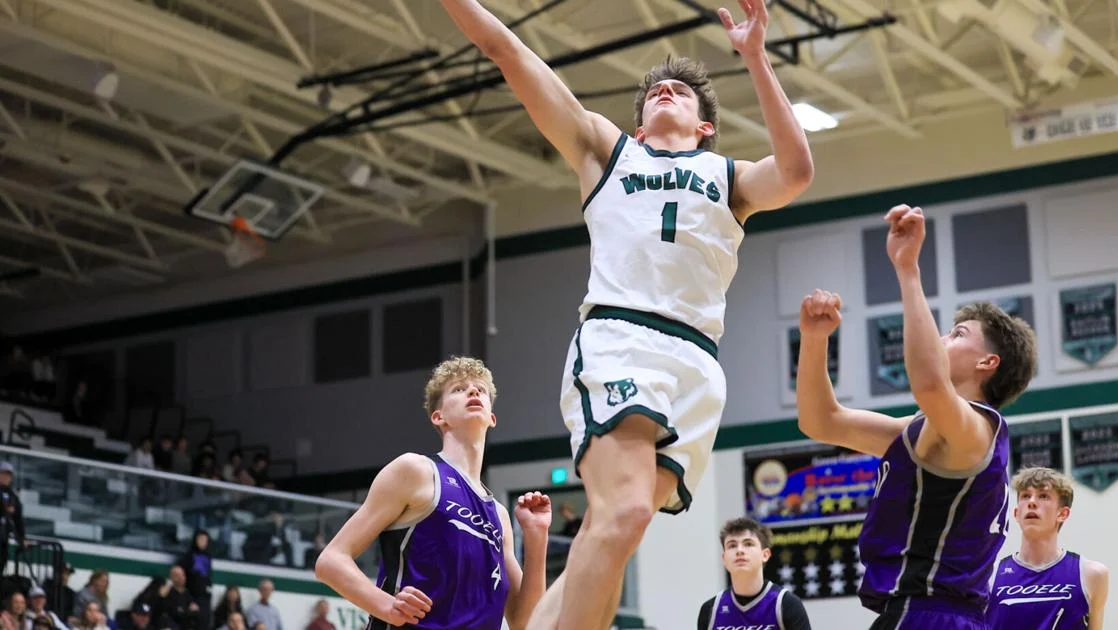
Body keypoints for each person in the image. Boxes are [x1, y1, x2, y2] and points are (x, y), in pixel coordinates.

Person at [435, 1, 814, 627]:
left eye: (684, 94)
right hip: (622, 338)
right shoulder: (605, 152)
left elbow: (798, 171)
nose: (667, 91)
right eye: (656, 93)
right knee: (625, 514)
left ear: (705, 128)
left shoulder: (731, 178)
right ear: (637, 127)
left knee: (615, 534)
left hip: (698, 364)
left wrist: (754, 56)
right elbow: (507, 50)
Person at [794, 205, 1038, 630]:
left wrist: (908, 269)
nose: (944, 337)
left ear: (988, 362)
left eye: (958, 333)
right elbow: (822, 421)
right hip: (917, 614)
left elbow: (928, 383)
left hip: (929, 615)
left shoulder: (975, 430)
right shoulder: (922, 431)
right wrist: (815, 341)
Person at [315, 357, 553, 629]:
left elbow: (524, 620)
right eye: (459, 389)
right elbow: (331, 561)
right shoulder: (415, 471)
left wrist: (537, 538)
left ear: (492, 418)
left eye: (480, 389)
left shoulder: (498, 514)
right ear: (439, 417)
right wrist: (387, 606)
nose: (473, 391)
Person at [986, 467, 1109, 629]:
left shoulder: (1092, 574)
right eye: (1025, 496)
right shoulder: (989, 577)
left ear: (1062, 514)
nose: (1031, 502)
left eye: (1043, 496)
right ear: (1016, 513)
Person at [697, 517, 811, 630]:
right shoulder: (710, 610)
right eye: (732, 545)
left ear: (765, 555)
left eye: (748, 544)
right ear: (724, 559)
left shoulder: (786, 604)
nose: (739, 550)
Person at [0, 462, 27, 576]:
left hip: (2, 541)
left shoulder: (13, 497)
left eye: (8, 475)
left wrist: (22, 538)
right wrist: (4, 510)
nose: (6, 477)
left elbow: (18, 519)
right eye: (3, 474)